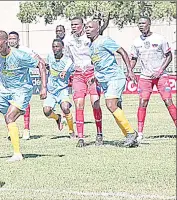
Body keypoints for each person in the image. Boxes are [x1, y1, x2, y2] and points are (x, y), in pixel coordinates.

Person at [85, 21, 138, 147]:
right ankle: (130, 137)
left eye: (90, 27)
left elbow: (122, 52)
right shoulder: (91, 46)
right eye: (86, 27)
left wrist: (130, 70)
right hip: (105, 81)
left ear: (98, 29)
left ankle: (131, 133)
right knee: (115, 108)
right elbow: (99, 63)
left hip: (115, 77)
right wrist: (94, 76)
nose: (87, 29)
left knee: (110, 105)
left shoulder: (104, 41)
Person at [0, 30, 47, 162]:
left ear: (6, 41)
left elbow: (41, 64)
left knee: (10, 117)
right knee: (9, 118)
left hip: (22, 90)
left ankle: (17, 154)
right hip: (4, 91)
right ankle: (20, 110)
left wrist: (43, 87)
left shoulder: (20, 55)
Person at [130, 16, 177, 141]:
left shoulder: (160, 39)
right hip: (145, 77)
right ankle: (139, 133)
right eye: (139, 23)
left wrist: (160, 70)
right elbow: (133, 58)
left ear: (149, 24)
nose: (141, 25)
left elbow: (169, 56)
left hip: (161, 76)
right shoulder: (136, 42)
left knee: (168, 102)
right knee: (142, 102)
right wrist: (130, 71)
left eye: (143, 23)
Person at [64, 17, 103, 147]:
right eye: (72, 25)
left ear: (82, 25)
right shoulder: (68, 40)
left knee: (95, 103)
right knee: (79, 104)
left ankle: (99, 133)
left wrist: (97, 72)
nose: (74, 27)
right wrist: (65, 69)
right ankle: (80, 137)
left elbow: (97, 55)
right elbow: (70, 58)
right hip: (78, 74)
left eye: (76, 24)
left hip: (91, 73)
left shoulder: (90, 38)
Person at [8, 31, 45, 140]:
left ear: (18, 40)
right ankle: (11, 129)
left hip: (24, 82)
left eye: (14, 38)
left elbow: (40, 61)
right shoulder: (5, 50)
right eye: (10, 38)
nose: (12, 41)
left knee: (25, 105)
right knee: (9, 106)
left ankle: (26, 130)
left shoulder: (25, 50)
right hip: (9, 83)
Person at [43, 38, 75, 138]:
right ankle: (58, 118)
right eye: (53, 46)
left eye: (57, 46)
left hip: (62, 90)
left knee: (65, 107)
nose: (55, 48)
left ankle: (71, 131)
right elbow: (47, 67)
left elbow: (73, 69)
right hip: (51, 91)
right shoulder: (49, 57)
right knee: (47, 111)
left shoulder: (68, 61)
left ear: (62, 47)